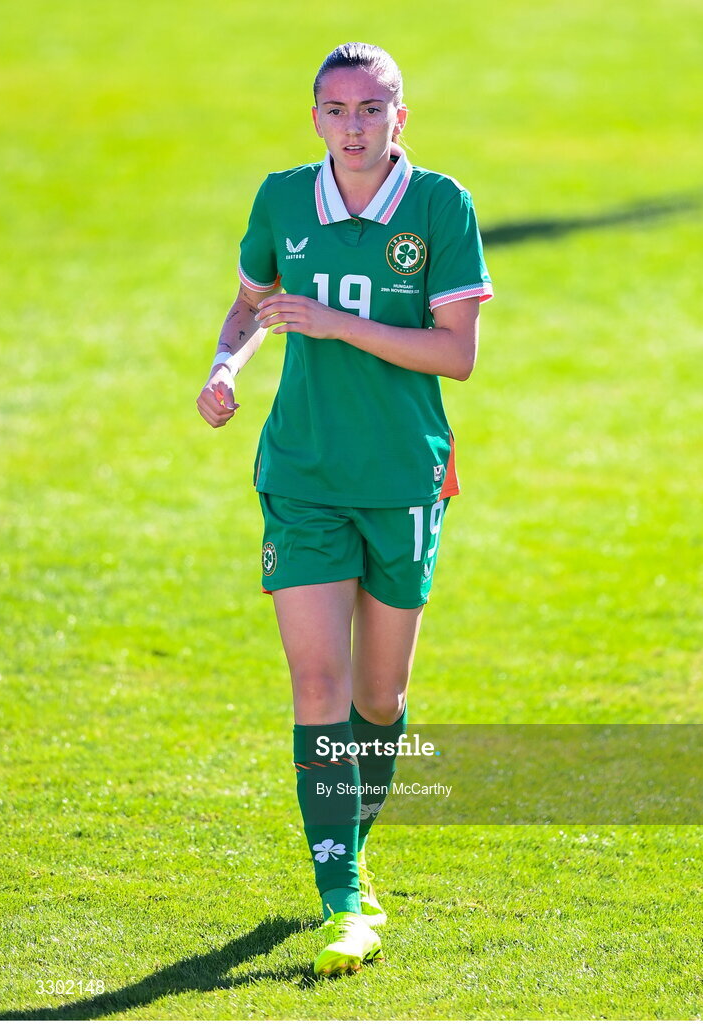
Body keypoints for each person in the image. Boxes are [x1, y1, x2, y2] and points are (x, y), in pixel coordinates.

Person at [196, 41, 493, 978]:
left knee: (378, 696)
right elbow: (249, 304)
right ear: (315, 117)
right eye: (336, 109)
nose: (353, 126)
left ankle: (351, 858)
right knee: (318, 687)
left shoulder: (441, 206)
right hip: (305, 476)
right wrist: (225, 364)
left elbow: (456, 355)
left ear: (400, 117)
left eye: (372, 109)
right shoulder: (283, 198)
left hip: (405, 477)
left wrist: (336, 325)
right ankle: (343, 895)